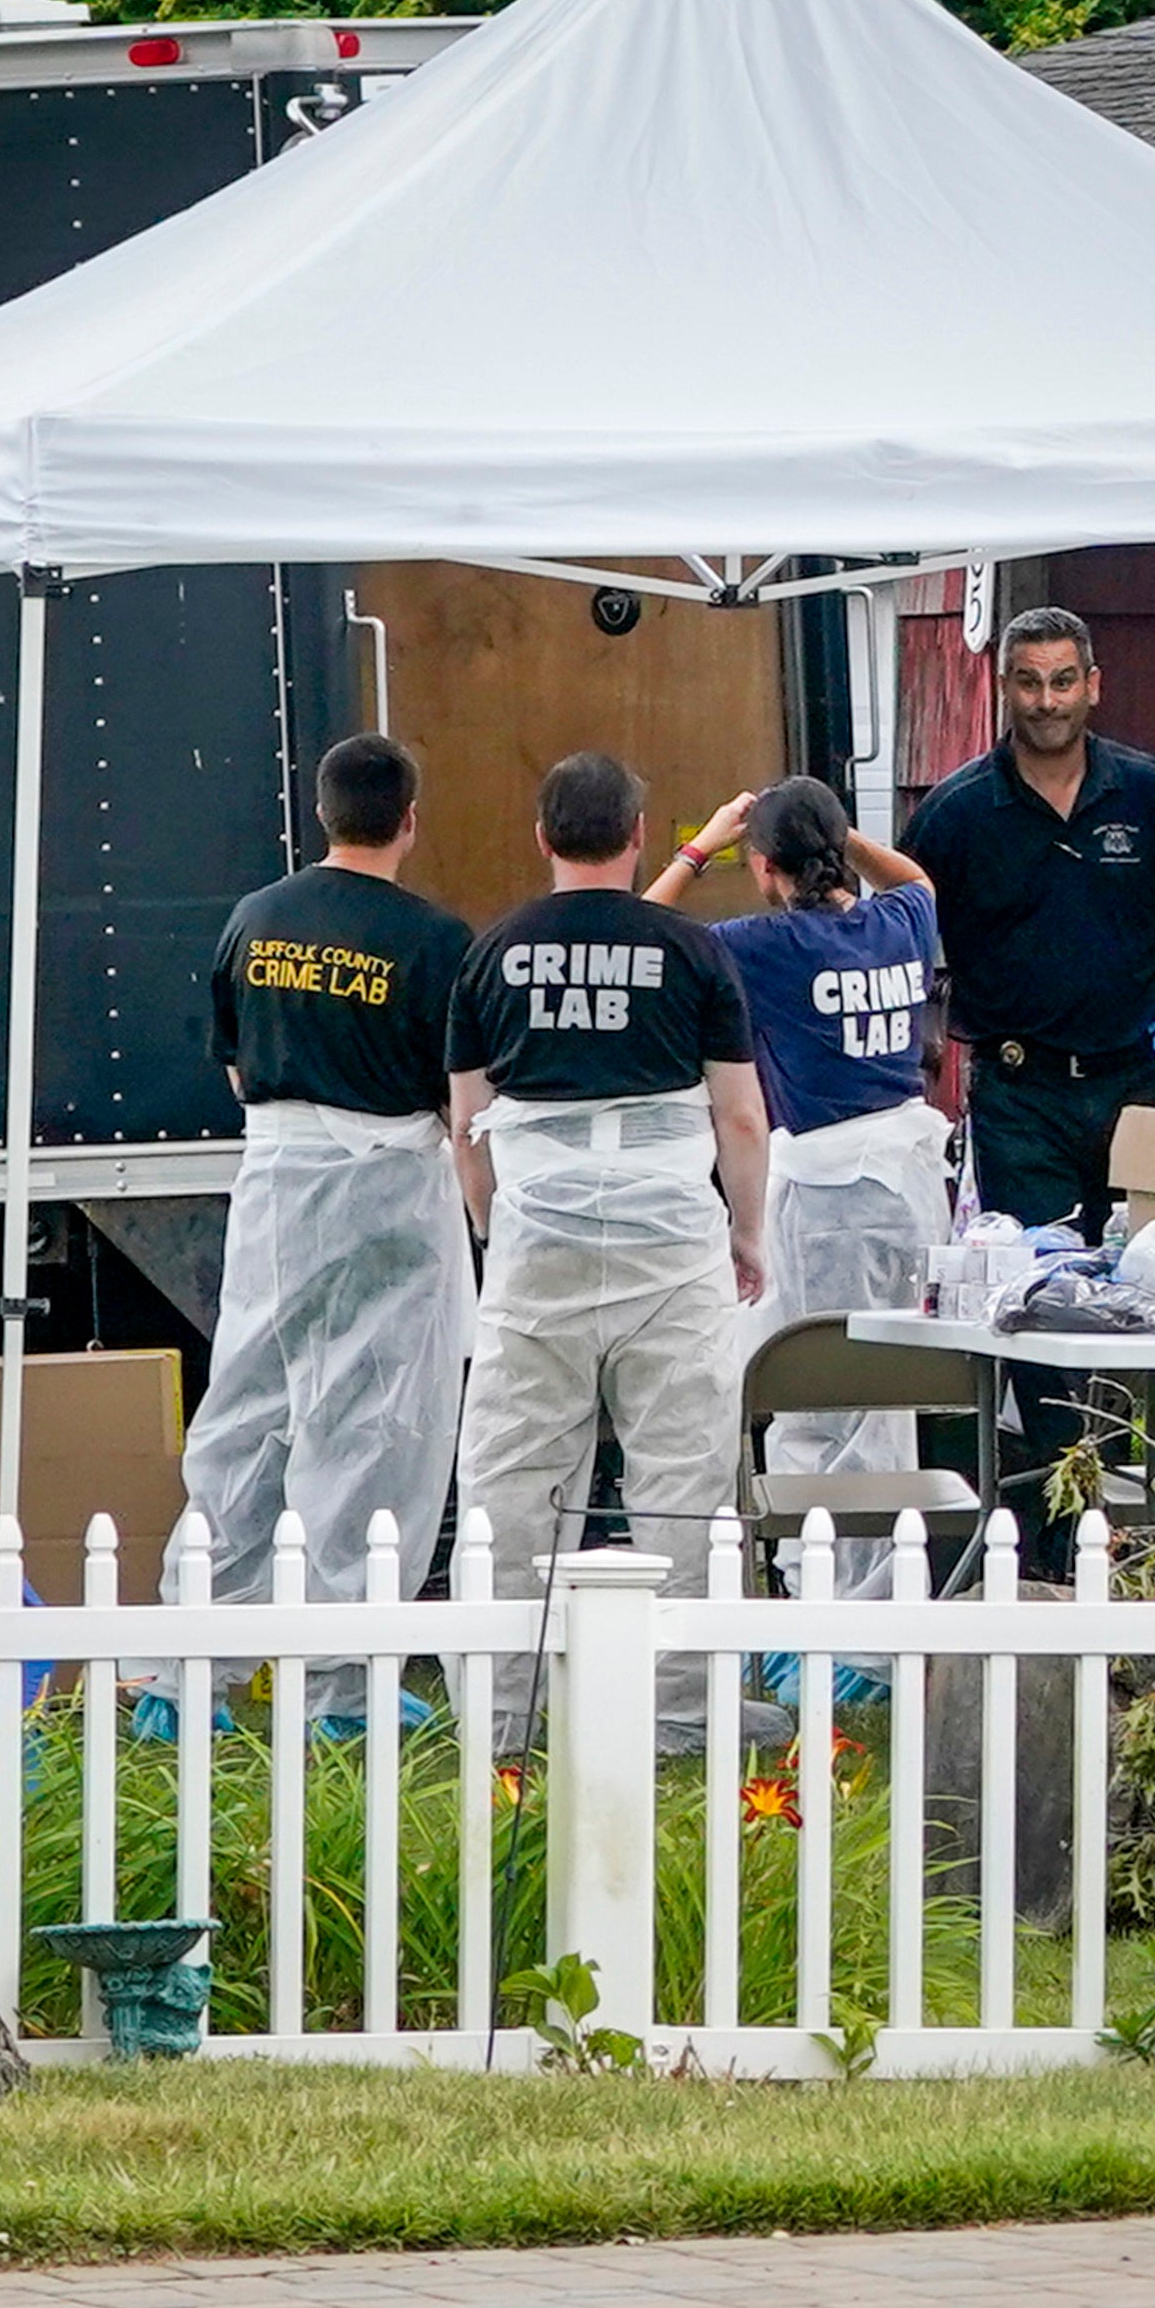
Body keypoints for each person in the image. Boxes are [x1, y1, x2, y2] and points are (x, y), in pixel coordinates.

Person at [445, 750, 766, 1749]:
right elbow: (741, 1117)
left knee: (514, 1484)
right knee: (682, 1482)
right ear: (639, 838)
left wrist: (499, 1232)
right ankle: (677, 1712)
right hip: (670, 1243)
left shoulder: (489, 955)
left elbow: (467, 1126)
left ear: (542, 839)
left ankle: (504, 1715)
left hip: (539, 1238)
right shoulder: (696, 951)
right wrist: (746, 1231)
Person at [188, 733, 472, 1641]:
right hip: (394, 1191)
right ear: (411, 820)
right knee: (379, 1423)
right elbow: (459, 1095)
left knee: (246, 1405)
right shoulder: (437, 940)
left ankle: (197, 1657)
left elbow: (235, 1069)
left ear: (322, 811)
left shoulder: (254, 916)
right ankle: (346, 1672)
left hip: (276, 1184)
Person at [904, 610, 1155, 1239]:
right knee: (1037, 1289)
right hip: (1019, 1097)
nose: (1047, 702)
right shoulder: (955, 814)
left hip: (1136, 1082)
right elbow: (894, 917)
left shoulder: (1149, 793)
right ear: (1003, 686)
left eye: (1063, 682)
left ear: (1093, 685)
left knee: (1148, 1272)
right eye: (1029, 683)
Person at [686, 777, 944, 1599]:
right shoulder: (897, 919)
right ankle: (875, 1593)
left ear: (763, 866)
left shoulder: (766, 945)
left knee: (821, 1397)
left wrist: (699, 849)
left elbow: (648, 935)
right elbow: (918, 882)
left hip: (830, 1191)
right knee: (888, 1395)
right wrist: (845, 831)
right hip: (909, 1184)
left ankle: (827, 1601)